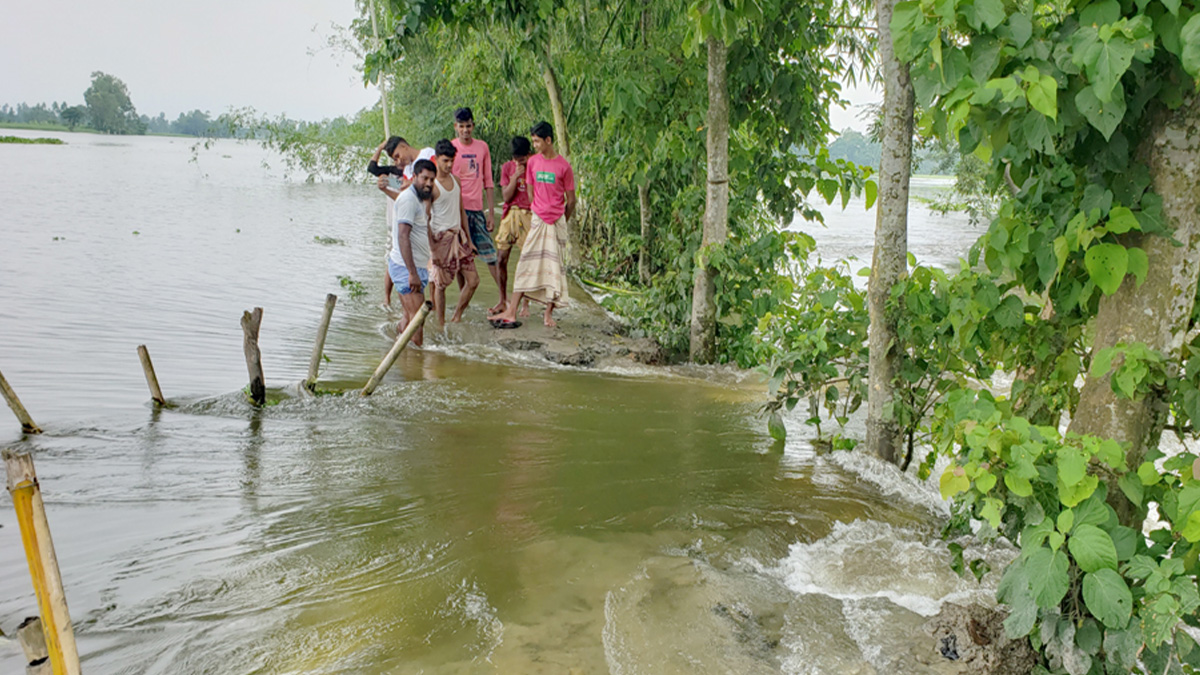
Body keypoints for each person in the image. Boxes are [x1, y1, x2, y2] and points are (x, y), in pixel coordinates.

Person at [491, 121, 574, 329]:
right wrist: (539, 212)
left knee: (554, 268)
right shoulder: (534, 163)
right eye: (533, 141)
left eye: (537, 141)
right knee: (525, 264)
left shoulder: (564, 166)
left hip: (556, 221)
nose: (535, 145)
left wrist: (561, 219)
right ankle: (511, 311)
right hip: (537, 219)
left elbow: (571, 200)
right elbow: (530, 192)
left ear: (548, 140)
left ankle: (548, 314)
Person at [449, 107, 505, 313]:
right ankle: (463, 300)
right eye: (461, 126)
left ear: (473, 126)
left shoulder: (482, 147)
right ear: (456, 127)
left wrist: (490, 213)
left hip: (476, 209)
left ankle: (504, 299)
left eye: (468, 126)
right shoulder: (451, 148)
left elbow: (488, 181)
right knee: (461, 259)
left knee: (490, 255)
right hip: (457, 211)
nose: (465, 130)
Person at [369, 137, 434, 306]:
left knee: (430, 267)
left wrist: (412, 184)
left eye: (398, 156)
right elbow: (403, 195)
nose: (398, 161)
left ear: (404, 146)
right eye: (394, 159)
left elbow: (434, 187)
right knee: (397, 258)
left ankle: (432, 304)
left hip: (424, 223)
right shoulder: (403, 171)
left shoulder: (428, 155)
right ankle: (388, 299)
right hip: (405, 223)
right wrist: (385, 188)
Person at [429, 139, 479, 325]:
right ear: (436, 159)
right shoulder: (432, 185)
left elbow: (461, 211)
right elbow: (425, 218)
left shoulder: (456, 181)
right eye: (445, 161)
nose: (449, 165)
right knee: (441, 285)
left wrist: (469, 240)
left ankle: (457, 315)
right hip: (441, 240)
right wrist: (432, 247)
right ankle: (440, 324)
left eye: (452, 160)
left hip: (459, 238)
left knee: (473, 281)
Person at [389, 159, 437, 347]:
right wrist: (412, 273)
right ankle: (415, 360)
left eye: (432, 180)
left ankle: (398, 349)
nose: (428, 183)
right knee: (417, 323)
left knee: (410, 318)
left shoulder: (418, 199)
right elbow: (403, 236)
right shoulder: (409, 199)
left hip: (414, 266)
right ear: (414, 176)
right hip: (406, 268)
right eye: (425, 178)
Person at [494, 136, 533, 317]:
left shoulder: (535, 167)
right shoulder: (507, 168)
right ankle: (502, 299)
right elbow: (506, 197)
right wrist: (515, 177)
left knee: (527, 260)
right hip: (510, 213)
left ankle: (525, 303)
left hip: (529, 214)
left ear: (529, 154)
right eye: (516, 159)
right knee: (501, 258)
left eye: (522, 159)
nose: (518, 163)